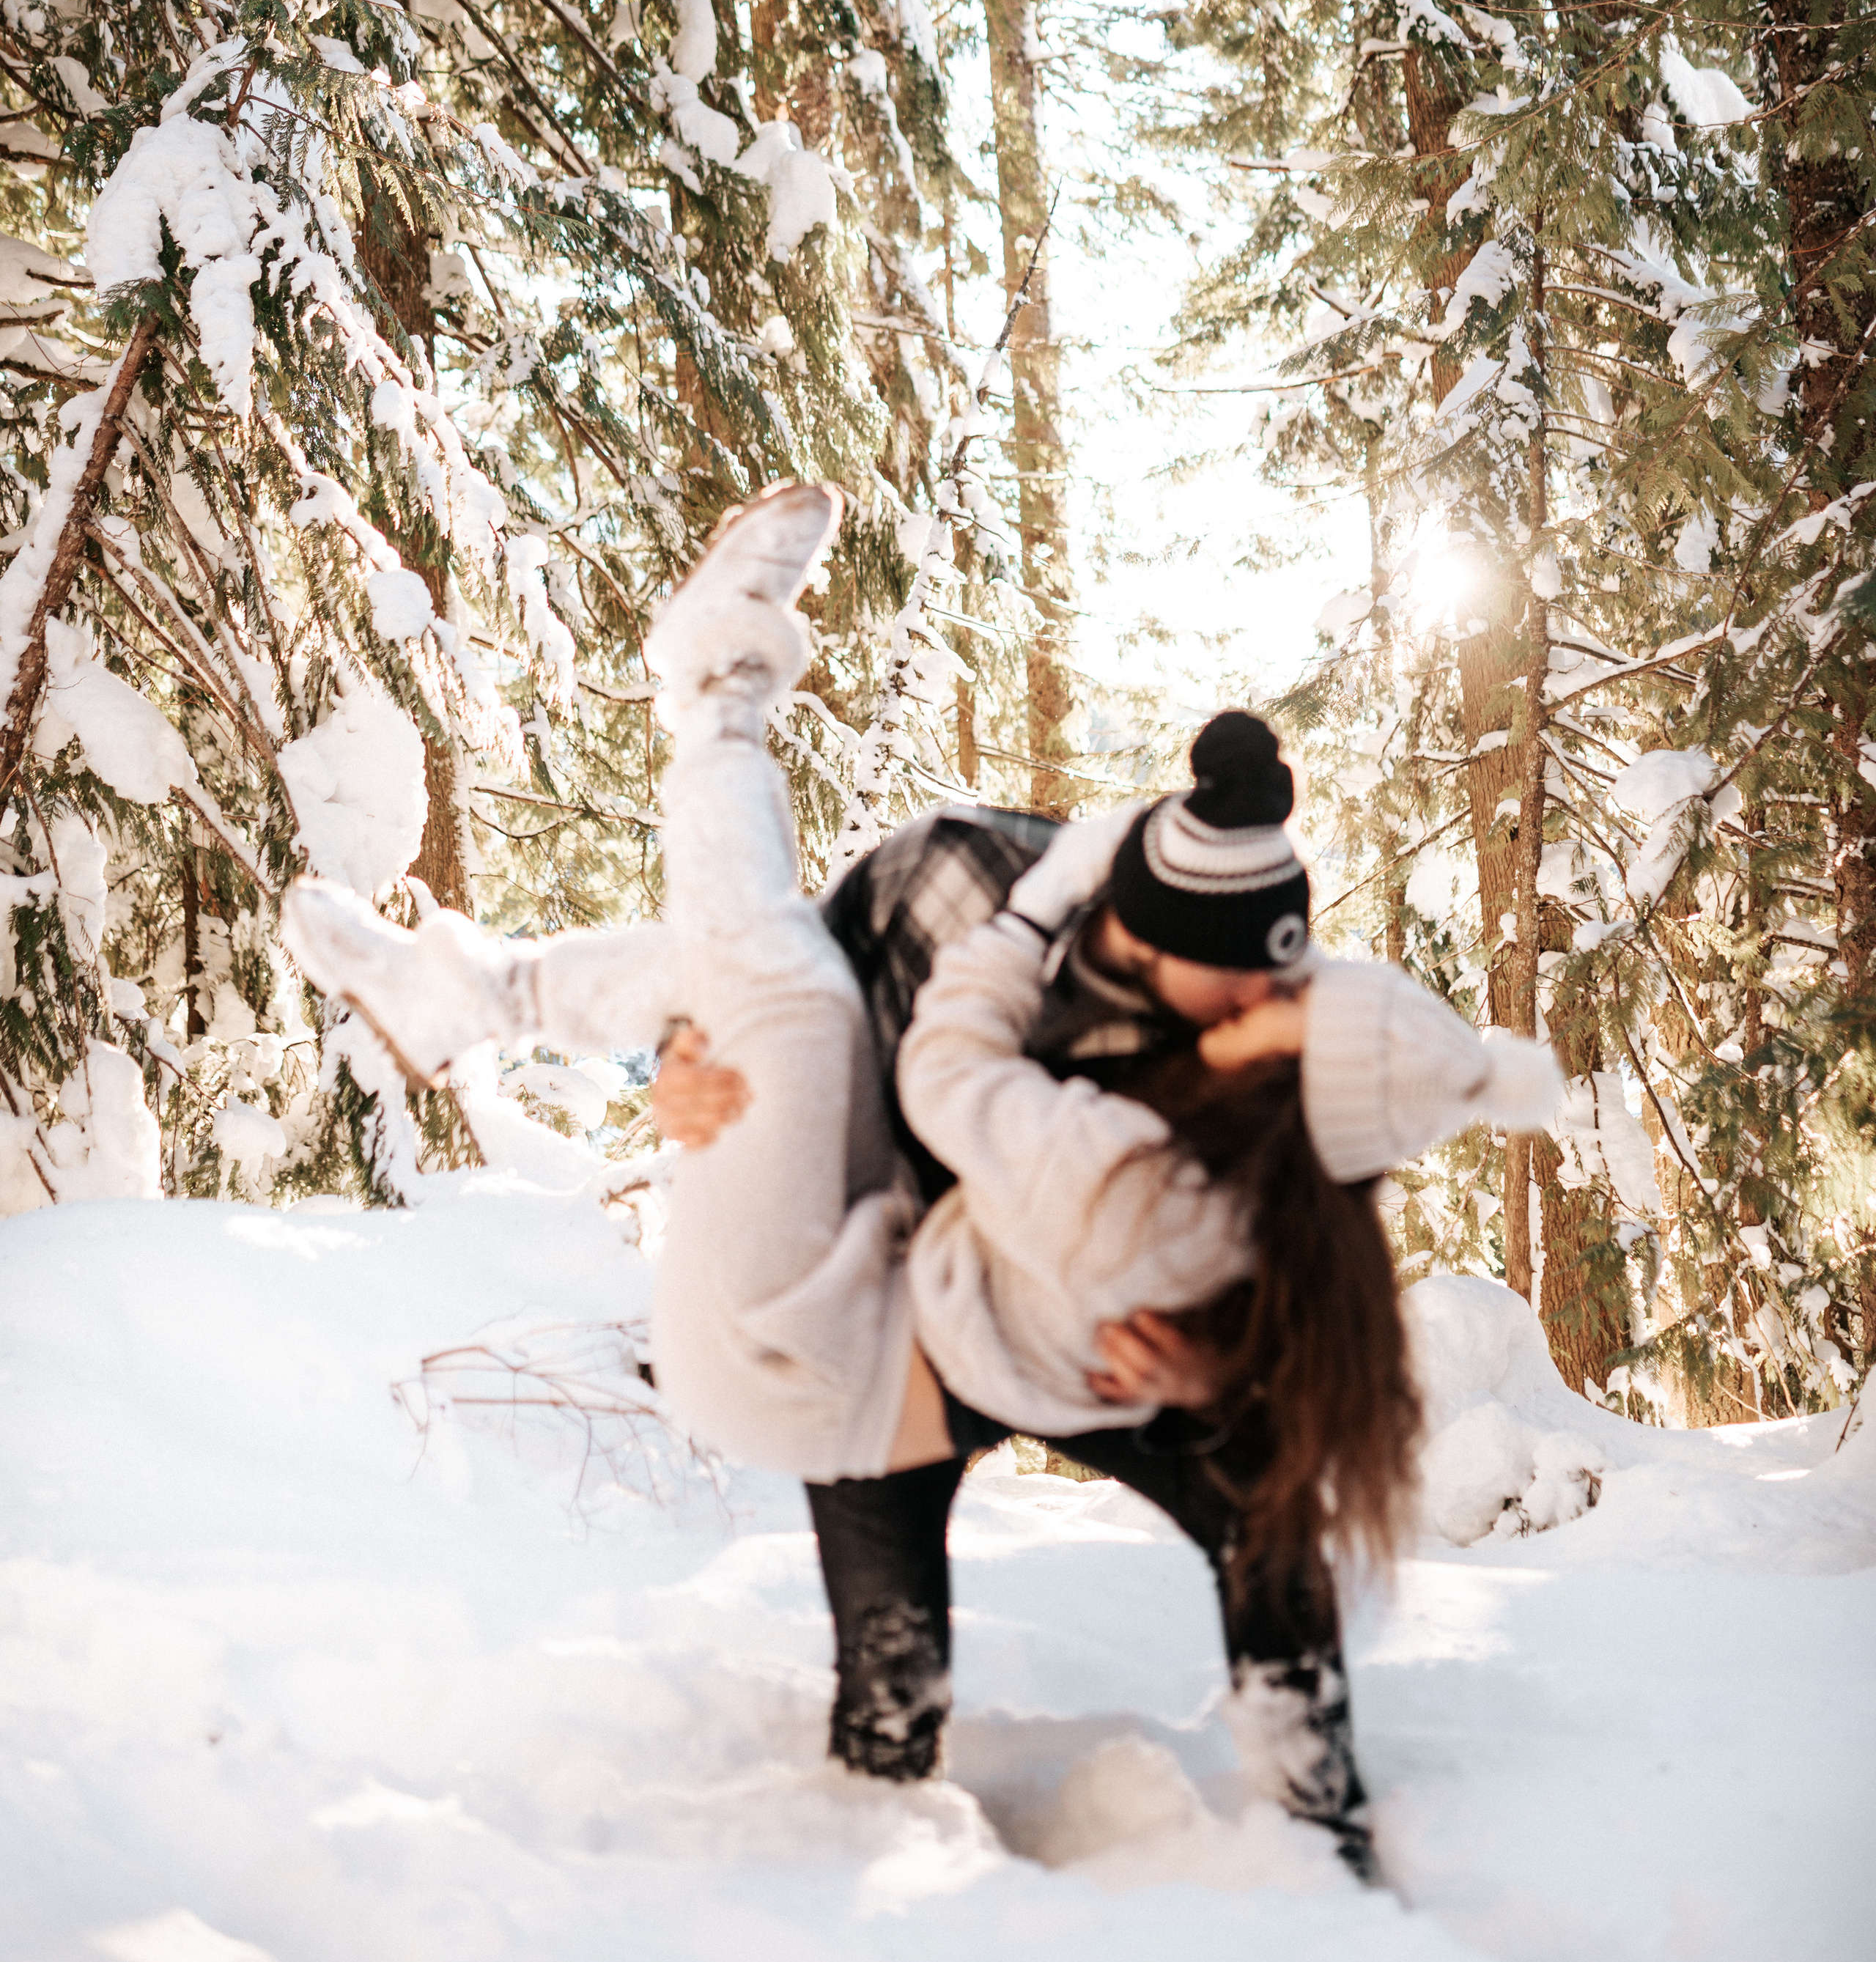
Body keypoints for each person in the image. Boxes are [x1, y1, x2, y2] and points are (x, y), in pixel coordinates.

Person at [284, 484, 1560, 1876]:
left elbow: (1313, 1208)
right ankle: (881, 1829)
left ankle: (1318, 1816)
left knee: (1262, 1490)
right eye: (1252, 981)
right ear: (1146, 927)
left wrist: (1227, 1357)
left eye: (1288, 985)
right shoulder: (957, 888)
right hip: (889, 1303)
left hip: (1062, 1328)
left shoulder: (1250, 1069)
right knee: (891, 1708)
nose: (1274, 997)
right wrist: (693, 1083)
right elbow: (753, 995)